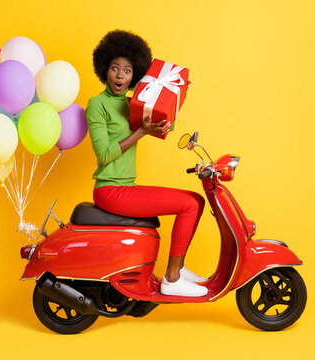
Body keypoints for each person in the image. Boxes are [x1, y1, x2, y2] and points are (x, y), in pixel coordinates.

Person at [85, 30, 208, 297]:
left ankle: (179, 268)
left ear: (135, 75)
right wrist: (140, 131)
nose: (120, 76)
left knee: (196, 201)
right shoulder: (97, 104)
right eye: (114, 68)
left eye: (127, 71)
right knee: (187, 205)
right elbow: (104, 154)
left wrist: (174, 95)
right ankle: (172, 279)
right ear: (104, 70)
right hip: (110, 191)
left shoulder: (133, 104)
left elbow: (165, 127)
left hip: (127, 187)